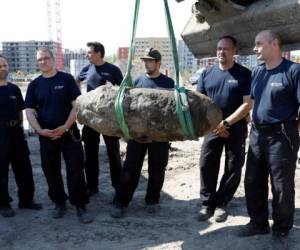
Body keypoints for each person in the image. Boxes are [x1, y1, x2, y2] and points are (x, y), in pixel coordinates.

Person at [238, 30, 300, 246]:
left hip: (282, 136)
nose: (254, 48)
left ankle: (282, 230)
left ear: (274, 44)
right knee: (253, 181)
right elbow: (253, 102)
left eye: (258, 44)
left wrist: (292, 130)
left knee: (281, 186)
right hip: (257, 134)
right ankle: (258, 223)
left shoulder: (293, 71)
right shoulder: (258, 72)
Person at [25, 48, 92, 224]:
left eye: (46, 58)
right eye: (40, 60)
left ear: (53, 59)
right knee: (50, 171)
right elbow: (30, 112)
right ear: (37, 62)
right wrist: (40, 130)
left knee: (76, 170)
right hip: (46, 136)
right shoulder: (34, 85)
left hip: (69, 133)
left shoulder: (66, 79)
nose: (43, 62)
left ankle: (80, 205)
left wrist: (65, 126)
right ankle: (59, 202)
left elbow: (76, 106)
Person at [110, 48, 174, 218]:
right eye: (145, 60)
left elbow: (173, 111)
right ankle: (121, 202)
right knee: (130, 168)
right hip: (138, 135)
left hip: (160, 135)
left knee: (157, 169)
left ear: (158, 63)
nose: (146, 63)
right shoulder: (137, 81)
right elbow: (129, 109)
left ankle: (152, 200)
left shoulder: (169, 83)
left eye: (150, 61)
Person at [196, 36, 252, 222]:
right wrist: (215, 126)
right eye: (219, 48)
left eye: (226, 49)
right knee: (207, 163)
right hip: (212, 128)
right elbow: (199, 103)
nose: (221, 52)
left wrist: (226, 124)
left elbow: (247, 105)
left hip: (235, 128)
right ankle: (207, 203)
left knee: (233, 166)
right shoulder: (207, 74)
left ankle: (221, 203)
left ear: (234, 50)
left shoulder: (244, 74)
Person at [77, 42, 123, 196]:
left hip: (109, 119)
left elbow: (124, 90)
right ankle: (92, 187)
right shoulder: (87, 69)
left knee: (113, 154)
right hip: (91, 119)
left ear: (98, 53)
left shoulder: (113, 70)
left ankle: (118, 187)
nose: (87, 55)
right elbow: (76, 82)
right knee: (90, 154)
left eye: (89, 52)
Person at [0, 56, 42, 218]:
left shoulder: (14, 89)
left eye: (5, 65)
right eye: (0, 66)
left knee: (24, 167)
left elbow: (20, 111)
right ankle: (3, 203)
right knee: (1, 170)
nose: (3, 68)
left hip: (16, 132)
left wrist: (21, 128)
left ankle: (26, 200)